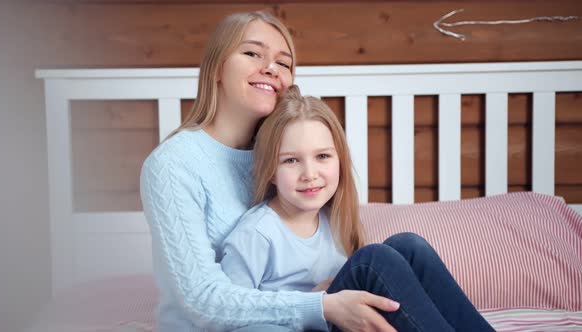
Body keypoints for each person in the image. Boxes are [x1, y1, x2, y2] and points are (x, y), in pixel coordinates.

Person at [140, 10, 402, 332]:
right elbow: (202, 301)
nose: (270, 69)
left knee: (403, 251)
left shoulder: (285, 152)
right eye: (252, 53)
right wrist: (321, 305)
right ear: (217, 68)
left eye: (284, 62)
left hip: (300, 319)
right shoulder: (172, 165)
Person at [221, 85, 495, 332]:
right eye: (291, 160)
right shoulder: (257, 234)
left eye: (323, 156)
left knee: (408, 246)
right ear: (269, 170)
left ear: (340, 160)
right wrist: (314, 303)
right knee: (372, 261)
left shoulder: (335, 221)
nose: (310, 173)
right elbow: (227, 313)